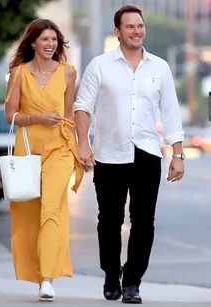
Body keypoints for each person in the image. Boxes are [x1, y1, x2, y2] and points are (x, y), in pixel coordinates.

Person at [74, 5, 185, 304]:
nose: (137, 30)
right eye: (130, 26)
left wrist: (178, 154)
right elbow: (82, 106)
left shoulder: (160, 67)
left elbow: (171, 112)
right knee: (108, 220)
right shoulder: (99, 65)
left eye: (140, 25)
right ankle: (112, 273)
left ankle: (133, 281)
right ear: (118, 31)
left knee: (144, 221)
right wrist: (83, 144)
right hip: (109, 155)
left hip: (147, 154)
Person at [5, 18, 83, 302]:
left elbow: (69, 116)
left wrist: (80, 150)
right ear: (33, 43)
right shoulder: (19, 73)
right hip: (28, 148)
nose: (50, 45)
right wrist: (37, 117)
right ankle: (36, 272)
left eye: (54, 40)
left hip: (59, 149)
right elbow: (10, 115)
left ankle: (47, 279)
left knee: (51, 209)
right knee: (28, 214)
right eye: (45, 40)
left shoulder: (68, 73)